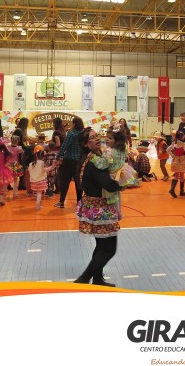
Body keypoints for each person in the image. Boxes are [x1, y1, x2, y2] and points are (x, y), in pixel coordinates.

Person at [73, 128, 122, 287]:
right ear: (85, 144)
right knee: (109, 249)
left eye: (96, 136)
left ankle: (98, 279)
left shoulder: (88, 158)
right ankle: (83, 279)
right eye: (92, 138)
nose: (96, 139)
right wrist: (124, 182)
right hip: (100, 209)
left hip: (92, 206)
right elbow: (107, 184)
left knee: (101, 245)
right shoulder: (94, 162)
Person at [88, 124, 138, 214]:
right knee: (117, 195)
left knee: (110, 197)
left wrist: (94, 158)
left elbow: (103, 164)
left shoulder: (109, 151)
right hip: (121, 174)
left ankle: (112, 213)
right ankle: (116, 212)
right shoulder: (123, 149)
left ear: (117, 141)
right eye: (107, 137)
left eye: (110, 138)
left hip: (112, 176)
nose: (107, 139)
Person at [54, 116, 85, 209]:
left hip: (69, 160)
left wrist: (58, 157)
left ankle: (61, 202)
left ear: (74, 124)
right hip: (79, 160)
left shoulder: (71, 133)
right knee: (78, 182)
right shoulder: (83, 134)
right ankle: (79, 203)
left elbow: (64, 146)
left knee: (65, 181)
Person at [28, 145, 58, 210]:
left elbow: (29, 170)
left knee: (37, 193)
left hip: (33, 181)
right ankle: (37, 205)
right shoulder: (43, 163)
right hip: (40, 181)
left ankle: (39, 204)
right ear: (43, 157)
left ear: (36, 155)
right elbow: (47, 169)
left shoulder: (31, 163)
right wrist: (53, 166)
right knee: (39, 193)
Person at [166, 131, 185, 198]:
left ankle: (175, 190)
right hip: (182, 160)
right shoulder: (183, 144)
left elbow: (168, 150)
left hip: (176, 160)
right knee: (181, 175)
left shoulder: (174, 143)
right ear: (181, 137)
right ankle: (177, 190)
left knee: (177, 175)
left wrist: (172, 155)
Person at [7, 134, 24, 199]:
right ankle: (15, 193)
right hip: (16, 164)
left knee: (7, 179)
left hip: (8, 164)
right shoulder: (19, 148)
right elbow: (20, 157)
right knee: (16, 179)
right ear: (17, 141)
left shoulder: (8, 147)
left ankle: (4, 192)